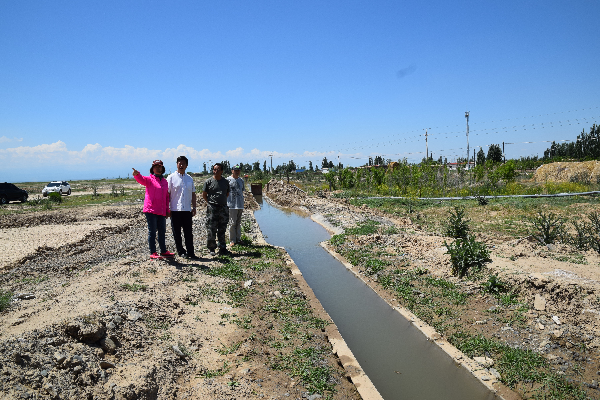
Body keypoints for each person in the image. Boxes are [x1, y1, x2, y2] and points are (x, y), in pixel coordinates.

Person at [132, 160, 175, 259]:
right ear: (152, 169)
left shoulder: (165, 182)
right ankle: (153, 252)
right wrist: (137, 175)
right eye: (156, 167)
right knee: (152, 231)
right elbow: (141, 180)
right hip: (150, 210)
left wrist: (167, 210)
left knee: (162, 231)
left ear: (162, 168)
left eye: (159, 166)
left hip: (161, 211)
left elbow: (166, 197)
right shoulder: (149, 179)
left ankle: (163, 251)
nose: (158, 168)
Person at [167, 155, 198, 260]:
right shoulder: (171, 178)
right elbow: (167, 194)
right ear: (177, 164)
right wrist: (168, 208)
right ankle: (181, 251)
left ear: (186, 165)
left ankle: (191, 252)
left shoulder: (189, 178)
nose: (181, 165)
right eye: (179, 163)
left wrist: (194, 207)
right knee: (177, 233)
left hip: (187, 210)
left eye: (183, 163)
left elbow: (193, 193)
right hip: (175, 210)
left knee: (188, 232)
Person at [202, 163, 230, 256]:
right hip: (212, 208)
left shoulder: (225, 182)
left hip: (223, 208)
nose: (216, 171)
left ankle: (222, 248)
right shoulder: (208, 182)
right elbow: (204, 195)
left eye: (218, 169)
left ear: (222, 171)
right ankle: (212, 248)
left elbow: (227, 194)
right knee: (211, 229)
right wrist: (211, 203)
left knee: (222, 229)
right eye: (214, 169)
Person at [227, 164, 245, 246]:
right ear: (232, 171)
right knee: (232, 223)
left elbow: (242, 191)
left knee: (238, 223)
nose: (237, 172)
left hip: (240, 204)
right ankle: (232, 240)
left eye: (238, 170)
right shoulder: (228, 180)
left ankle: (238, 239)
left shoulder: (241, 181)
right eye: (235, 170)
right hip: (232, 205)